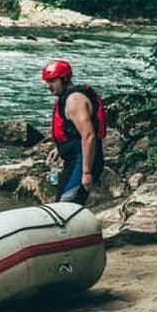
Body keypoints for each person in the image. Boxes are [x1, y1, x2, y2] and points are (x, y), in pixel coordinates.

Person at [42, 59, 106, 205]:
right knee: (64, 202)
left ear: (64, 79)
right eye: (47, 82)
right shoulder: (67, 97)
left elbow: (89, 135)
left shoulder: (75, 100)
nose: (49, 86)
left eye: (52, 81)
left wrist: (87, 173)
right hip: (74, 159)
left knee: (66, 204)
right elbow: (73, 130)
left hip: (82, 160)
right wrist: (58, 148)